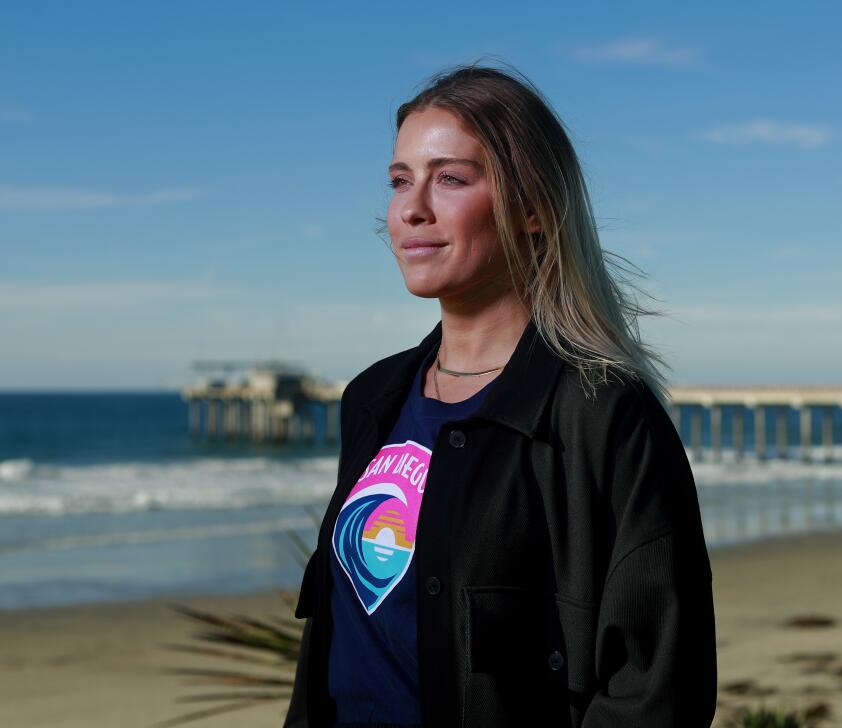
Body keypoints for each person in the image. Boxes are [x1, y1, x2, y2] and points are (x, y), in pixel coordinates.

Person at [284, 63, 717, 728]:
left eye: (450, 178)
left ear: (535, 208)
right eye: (400, 180)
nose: (411, 208)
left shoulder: (601, 414)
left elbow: (657, 687)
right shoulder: (373, 397)